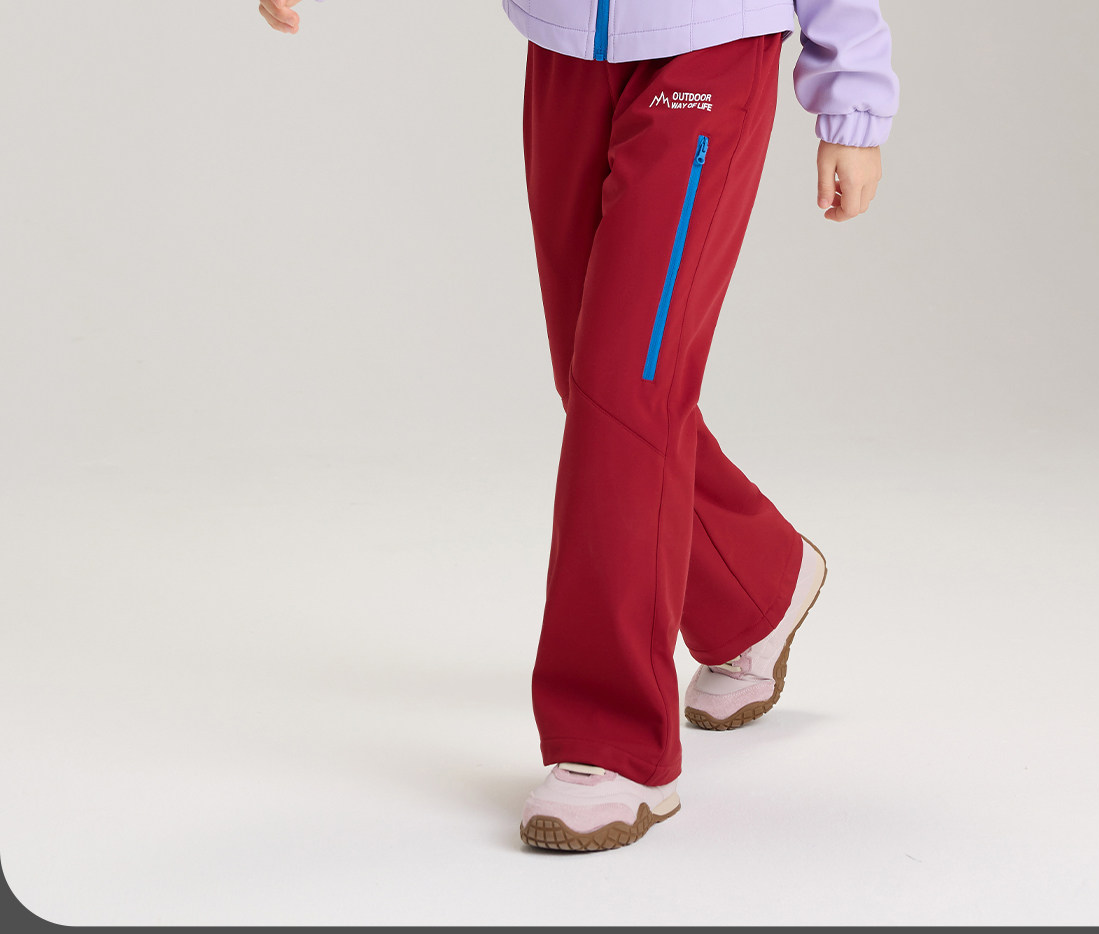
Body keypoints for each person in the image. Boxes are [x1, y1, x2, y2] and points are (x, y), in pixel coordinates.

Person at [257, 0, 900, 853]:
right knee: (595, 378)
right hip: (565, 51)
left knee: (625, 387)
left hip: (707, 51)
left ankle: (615, 743)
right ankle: (756, 587)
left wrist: (852, 95)